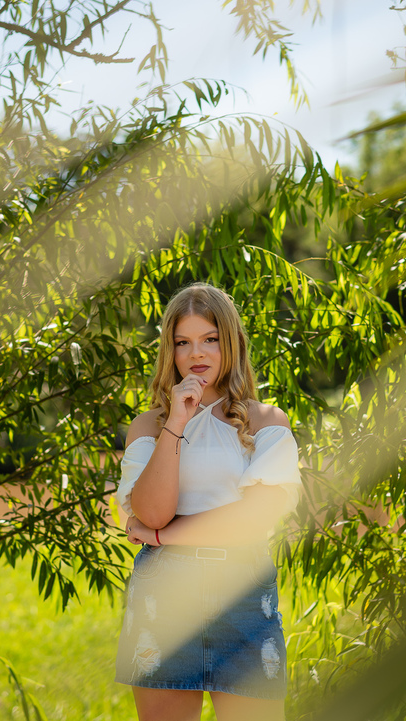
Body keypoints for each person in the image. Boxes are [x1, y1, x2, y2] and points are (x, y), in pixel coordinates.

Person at [115, 283, 301, 721]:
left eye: (210, 339)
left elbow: (253, 519)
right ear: (171, 350)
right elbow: (152, 511)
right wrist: (177, 421)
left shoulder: (266, 421)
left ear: (230, 342)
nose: (196, 353)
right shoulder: (149, 426)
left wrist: (162, 536)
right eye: (183, 342)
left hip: (243, 594)